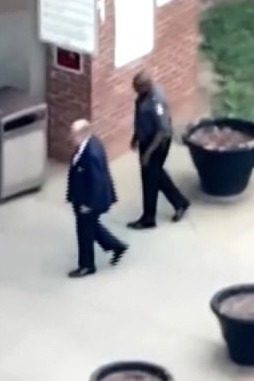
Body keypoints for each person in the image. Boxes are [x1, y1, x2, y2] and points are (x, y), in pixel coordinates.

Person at [127, 72, 190, 229]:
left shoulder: (156, 101)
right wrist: (136, 137)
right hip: (145, 139)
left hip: (157, 143)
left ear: (146, 85)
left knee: (150, 179)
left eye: (137, 88)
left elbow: (163, 131)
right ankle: (180, 202)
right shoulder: (143, 95)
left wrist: (148, 153)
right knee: (155, 174)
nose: (134, 90)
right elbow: (140, 118)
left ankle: (149, 218)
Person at [66, 119, 128, 278]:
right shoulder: (86, 145)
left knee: (84, 231)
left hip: (89, 201)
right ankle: (116, 246)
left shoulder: (91, 153)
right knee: (91, 226)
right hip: (82, 198)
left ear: (81, 134)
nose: (69, 137)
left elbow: (97, 181)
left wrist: (89, 205)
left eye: (72, 134)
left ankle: (87, 265)